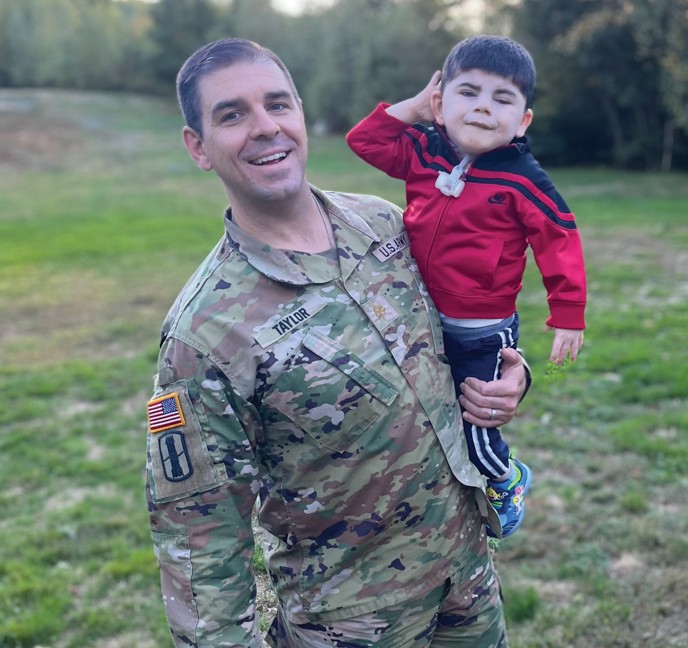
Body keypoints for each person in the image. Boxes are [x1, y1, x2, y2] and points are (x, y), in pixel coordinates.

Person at [145, 38, 530, 648]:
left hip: (467, 582)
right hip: (352, 623)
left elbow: (465, 325)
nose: (265, 128)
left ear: (300, 112)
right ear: (199, 147)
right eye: (232, 114)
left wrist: (516, 377)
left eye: (278, 104)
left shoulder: (381, 223)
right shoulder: (203, 332)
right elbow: (198, 535)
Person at [346, 35, 587, 538]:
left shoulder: (523, 180)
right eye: (468, 93)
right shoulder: (423, 153)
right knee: (425, 419)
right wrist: (410, 109)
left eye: (502, 99)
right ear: (441, 103)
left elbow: (559, 239)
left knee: (477, 426)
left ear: (522, 121)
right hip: (420, 319)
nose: (482, 106)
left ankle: (506, 477)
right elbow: (364, 142)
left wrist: (568, 313)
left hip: (481, 330)